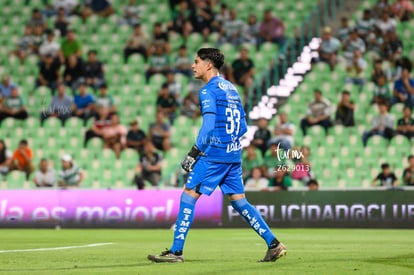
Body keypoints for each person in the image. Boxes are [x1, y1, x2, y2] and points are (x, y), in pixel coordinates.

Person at [147, 48, 287, 263]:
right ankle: (274, 244)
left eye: (196, 61)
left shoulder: (207, 91)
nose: (193, 66)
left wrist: (194, 153)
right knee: (240, 202)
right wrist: (229, 142)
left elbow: (209, 126)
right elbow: (241, 127)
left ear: (208, 64)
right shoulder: (232, 89)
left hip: (214, 154)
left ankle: (176, 252)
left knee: (188, 195)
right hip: (233, 155)